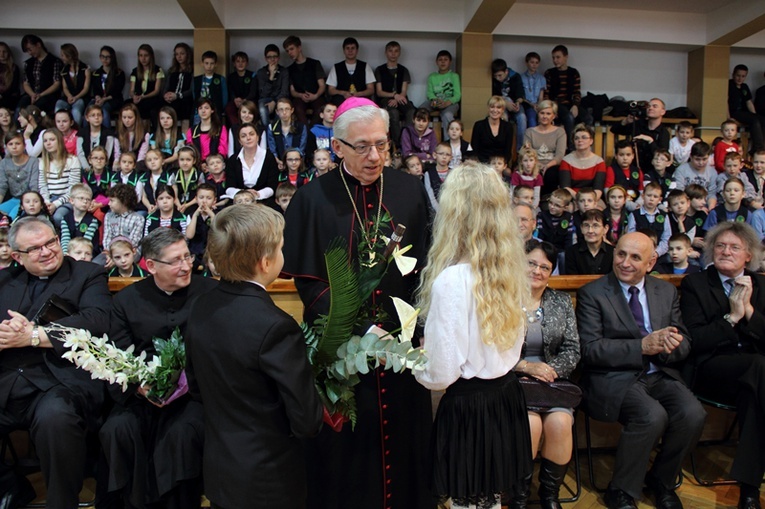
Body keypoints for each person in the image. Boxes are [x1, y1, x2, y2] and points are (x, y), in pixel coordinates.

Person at [282, 97, 433, 509]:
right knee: (351, 447)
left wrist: (410, 328)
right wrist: (363, 331)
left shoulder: (409, 190)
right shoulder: (313, 199)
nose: (375, 156)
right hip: (343, 350)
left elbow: (425, 265)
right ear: (338, 147)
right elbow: (309, 281)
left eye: (382, 145)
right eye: (362, 146)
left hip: (402, 350)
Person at [186, 203, 323, 509]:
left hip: (221, 470)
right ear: (265, 262)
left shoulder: (201, 306)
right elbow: (306, 420)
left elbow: (196, 388)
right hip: (267, 480)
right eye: (281, 248)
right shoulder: (276, 326)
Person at [414, 161, 532, 509]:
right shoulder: (509, 267)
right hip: (504, 398)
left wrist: (414, 361)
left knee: (469, 502)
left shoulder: (452, 281)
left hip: (469, 408)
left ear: (453, 213)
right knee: (490, 499)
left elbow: (441, 374)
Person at [577, 232, 706, 509]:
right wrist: (642, 346)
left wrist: (673, 345)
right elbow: (590, 350)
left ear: (651, 263)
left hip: (659, 373)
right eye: (621, 254)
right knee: (651, 415)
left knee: (693, 413)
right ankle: (620, 490)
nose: (625, 262)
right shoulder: (593, 293)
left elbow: (684, 340)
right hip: (614, 378)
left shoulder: (666, 291)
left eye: (636, 257)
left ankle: (661, 480)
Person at [100, 227, 217, 508]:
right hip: (140, 394)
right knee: (116, 429)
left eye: (187, 257)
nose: (186, 266)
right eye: (175, 261)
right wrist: (140, 388)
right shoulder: (127, 301)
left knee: (182, 433)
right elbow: (118, 354)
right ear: (151, 265)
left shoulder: (212, 292)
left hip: (195, 395)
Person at [0, 216, 111, 508]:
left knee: (56, 419)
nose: (47, 251)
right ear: (17, 257)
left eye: (50, 242)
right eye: (35, 248)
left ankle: (63, 503)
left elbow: (98, 321)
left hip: (58, 384)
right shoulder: (4, 281)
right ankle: (10, 485)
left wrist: (34, 335)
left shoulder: (88, 274)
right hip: (8, 381)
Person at [680, 222, 765, 509]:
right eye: (720, 245)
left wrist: (750, 311)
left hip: (755, 380)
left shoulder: (762, 285)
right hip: (711, 370)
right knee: (760, 365)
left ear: (749, 255)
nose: (725, 251)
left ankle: (749, 488)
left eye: (734, 247)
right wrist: (732, 318)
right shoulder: (696, 284)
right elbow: (697, 340)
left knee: (754, 391)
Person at [514, 240, 581, 508]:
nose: (537, 271)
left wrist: (550, 371)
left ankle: (549, 496)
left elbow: (573, 349)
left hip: (551, 381)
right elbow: (491, 347)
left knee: (560, 424)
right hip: (512, 378)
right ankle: (519, 497)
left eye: (545, 267)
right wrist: (526, 367)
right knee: (531, 425)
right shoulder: (503, 296)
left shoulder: (561, 301)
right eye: (531, 263)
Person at [543, 45, 591, 147]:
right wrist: (551, 109)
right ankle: (571, 147)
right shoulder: (549, 73)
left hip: (570, 103)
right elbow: (546, 94)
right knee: (569, 118)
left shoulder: (573, 73)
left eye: (558, 57)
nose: (555, 60)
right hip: (556, 104)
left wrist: (575, 105)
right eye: (553, 58)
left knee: (588, 118)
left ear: (566, 57)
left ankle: (583, 143)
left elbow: (577, 92)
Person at [610, 97, 670, 171]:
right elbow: (614, 129)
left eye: (655, 106)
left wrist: (651, 141)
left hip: (651, 169)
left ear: (663, 112)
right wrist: (626, 121)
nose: (650, 108)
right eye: (649, 106)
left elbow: (662, 155)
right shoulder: (639, 124)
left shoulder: (664, 132)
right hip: (632, 166)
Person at [374, 41, 414, 146]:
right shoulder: (379, 70)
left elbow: (404, 91)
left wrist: (397, 98)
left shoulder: (404, 70)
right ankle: (398, 144)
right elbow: (379, 92)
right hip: (385, 98)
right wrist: (393, 95)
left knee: (411, 111)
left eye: (396, 51)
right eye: (390, 51)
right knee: (393, 114)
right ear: (386, 53)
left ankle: (407, 139)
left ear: (399, 53)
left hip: (401, 98)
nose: (393, 54)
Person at [283, 35, 327, 125]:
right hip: (300, 98)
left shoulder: (315, 64)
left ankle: (311, 133)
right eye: (287, 51)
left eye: (291, 49)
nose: (290, 53)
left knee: (320, 108)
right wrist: (300, 95)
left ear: (299, 48)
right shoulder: (290, 69)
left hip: (316, 95)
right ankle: (305, 133)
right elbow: (292, 91)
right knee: (297, 108)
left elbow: (322, 85)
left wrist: (315, 95)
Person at [559, 123, 606, 201]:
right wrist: (580, 200)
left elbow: (598, 189)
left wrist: (590, 201)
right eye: (576, 138)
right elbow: (565, 187)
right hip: (572, 198)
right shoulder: (566, 160)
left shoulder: (599, 161)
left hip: (593, 199)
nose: (580, 140)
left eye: (584, 137)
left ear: (591, 141)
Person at [18, 34, 62, 115]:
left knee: (37, 109)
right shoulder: (28, 63)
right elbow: (25, 83)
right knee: (20, 108)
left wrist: (40, 95)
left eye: (30, 49)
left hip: (47, 95)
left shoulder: (54, 61)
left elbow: (56, 83)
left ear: (38, 45)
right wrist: (32, 95)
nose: (29, 53)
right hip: (31, 94)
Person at [422, 50, 461, 140]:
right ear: (436, 62)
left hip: (450, 103)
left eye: (445, 59)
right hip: (435, 102)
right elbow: (430, 93)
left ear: (450, 62)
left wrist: (448, 102)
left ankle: (449, 142)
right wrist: (434, 100)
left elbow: (457, 95)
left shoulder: (454, 76)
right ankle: (421, 139)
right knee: (421, 111)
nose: (443, 62)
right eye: (440, 60)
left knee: (447, 115)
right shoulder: (432, 76)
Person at [326, 37, 375, 106]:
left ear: (357, 50)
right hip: (341, 100)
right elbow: (331, 90)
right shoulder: (336, 67)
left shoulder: (365, 66)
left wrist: (359, 94)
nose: (350, 51)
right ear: (344, 50)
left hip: (360, 99)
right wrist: (343, 93)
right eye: (347, 48)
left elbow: (371, 89)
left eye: (352, 48)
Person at [728, 64, 764, 154]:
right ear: (733, 75)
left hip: (745, 112)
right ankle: (758, 148)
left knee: (761, 119)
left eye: (743, 76)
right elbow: (725, 102)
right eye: (738, 76)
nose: (740, 79)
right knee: (755, 120)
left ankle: (761, 146)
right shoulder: (729, 84)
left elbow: (749, 102)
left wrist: (755, 114)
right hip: (735, 112)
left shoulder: (745, 87)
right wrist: (729, 117)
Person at [491, 58, 526, 150]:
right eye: (495, 76)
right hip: (501, 104)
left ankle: (520, 149)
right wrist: (505, 103)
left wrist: (517, 103)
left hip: (515, 104)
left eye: (500, 75)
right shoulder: (494, 80)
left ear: (506, 71)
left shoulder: (516, 76)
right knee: (503, 118)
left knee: (522, 117)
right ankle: (502, 147)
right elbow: (494, 96)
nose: (498, 78)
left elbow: (520, 95)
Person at [565, 209, 613, 275]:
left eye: (595, 225)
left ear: (605, 229)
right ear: (581, 228)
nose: (590, 231)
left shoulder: (613, 252)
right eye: (586, 225)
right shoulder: (571, 252)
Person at [89, 45, 125, 128]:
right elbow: (95, 89)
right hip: (100, 99)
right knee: (89, 109)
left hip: (113, 99)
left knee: (104, 110)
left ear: (112, 58)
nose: (105, 59)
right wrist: (98, 98)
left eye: (107, 57)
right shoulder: (96, 73)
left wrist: (104, 99)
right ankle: (87, 134)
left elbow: (117, 91)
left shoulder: (119, 73)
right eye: (102, 57)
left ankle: (107, 134)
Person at [471, 95, 513, 164]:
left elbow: (507, 152)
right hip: (482, 163)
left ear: (502, 110)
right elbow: (474, 150)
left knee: (508, 173)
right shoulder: (479, 125)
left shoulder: (508, 127)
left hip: (499, 165)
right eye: (492, 107)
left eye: (498, 107)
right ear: (488, 108)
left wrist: (500, 165)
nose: (495, 110)